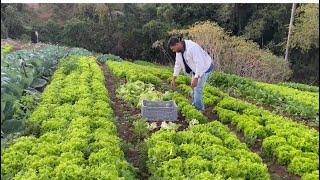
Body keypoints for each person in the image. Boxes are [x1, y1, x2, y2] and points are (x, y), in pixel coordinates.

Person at [168, 37, 214, 111]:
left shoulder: (192, 47)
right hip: (195, 69)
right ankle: (195, 105)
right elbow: (177, 64)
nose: (173, 51)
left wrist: (196, 78)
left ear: (177, 44)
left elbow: (200, 63)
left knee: (197, 89)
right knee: (193, 88)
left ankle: (199, 110)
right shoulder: (179, 52)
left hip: (204, 68)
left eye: (173, 49)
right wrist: (174, 78)